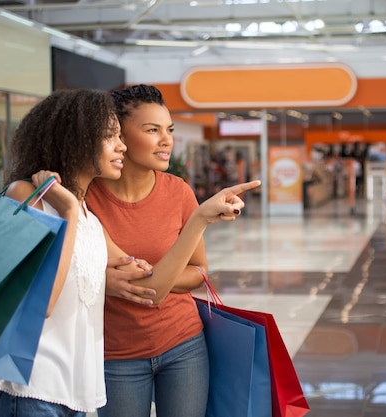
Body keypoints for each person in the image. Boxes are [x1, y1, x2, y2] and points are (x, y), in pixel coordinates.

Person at [85, 84, 260, 417]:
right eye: (152, 130)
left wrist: (153, 274)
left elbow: (199, 271)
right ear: (118, 136)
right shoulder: (87, 197)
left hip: (184, 345)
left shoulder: (178, 191)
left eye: (169, 130)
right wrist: (154, 275)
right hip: (116, 353)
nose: (167, 140)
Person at [0, 88, 149, 417]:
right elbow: (41, 303)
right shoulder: (27, 196)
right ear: (76, 138)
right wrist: (67, 211)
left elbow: (142, 274)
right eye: (110, 136)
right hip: (26, 390)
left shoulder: (89, 217)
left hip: (77, 397)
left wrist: (198, 218)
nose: (122, 145)